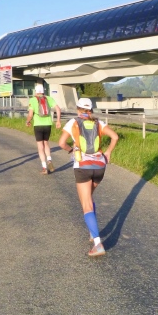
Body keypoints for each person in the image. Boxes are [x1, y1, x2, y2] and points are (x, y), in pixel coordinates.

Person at [58, 97, 119, 257]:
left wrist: (71, 150)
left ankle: (98, 243)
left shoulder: (73, 122)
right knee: (89, 199)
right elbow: (115, 137)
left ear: (78, 109)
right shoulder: (99, 123)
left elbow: (61, 143)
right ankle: (93, 233)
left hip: (83, 166)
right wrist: (108, 152)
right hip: (100, 167)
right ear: (91, 110)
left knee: (86, 205)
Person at [26, 84, 62, 174]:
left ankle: (44, 167)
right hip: (48, 124)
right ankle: (49, 159)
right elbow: (58, 109)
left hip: (38, 125)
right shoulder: (49, 98)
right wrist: (58, 121)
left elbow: (30, 114)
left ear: (35, 91)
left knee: (40, 146)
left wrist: (28, 121)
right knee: (46, 143)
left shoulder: (33, 100)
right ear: (43, 91)